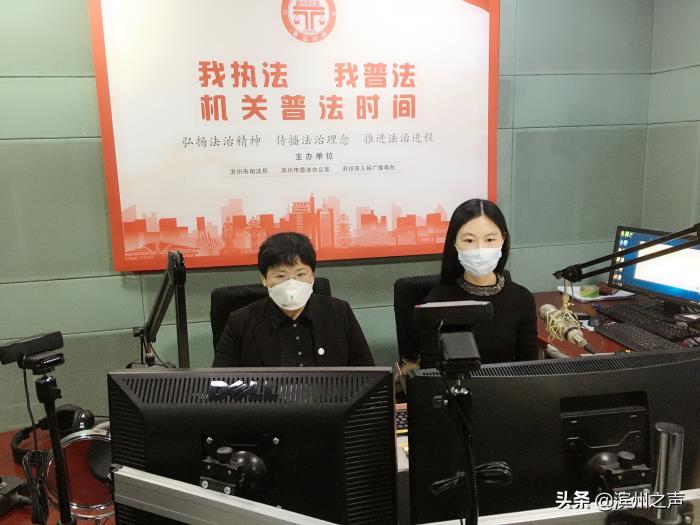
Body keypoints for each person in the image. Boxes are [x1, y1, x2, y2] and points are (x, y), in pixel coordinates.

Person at [213, 232, 375, 367]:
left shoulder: (339, 312)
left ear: (312, 275)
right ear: (264, 279)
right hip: (265, 398)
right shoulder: (240, 322)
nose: (291, 284)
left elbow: (367, 376)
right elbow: (220, 385)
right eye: (280, 276)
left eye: (300, 274)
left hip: (331, 398)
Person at [421, 199, 538, 366]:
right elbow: (429, 372)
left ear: (503, 239)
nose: (480, 250)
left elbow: (529, 368)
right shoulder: (436, 303)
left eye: (489, 240)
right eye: (469, 241)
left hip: (507, 382)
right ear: (454, 243)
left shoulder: (522, 299)